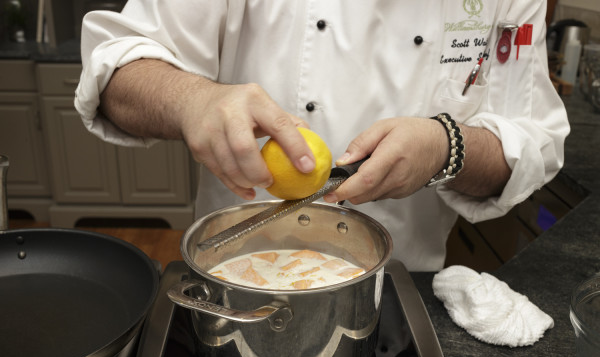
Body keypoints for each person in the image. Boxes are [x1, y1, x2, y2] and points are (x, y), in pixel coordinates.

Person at [75, 0, 569, 271]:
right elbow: (116, 70)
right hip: (236, 273)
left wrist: (446, 146)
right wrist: (193, 100)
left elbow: (532, 145)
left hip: (403, 290)